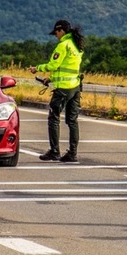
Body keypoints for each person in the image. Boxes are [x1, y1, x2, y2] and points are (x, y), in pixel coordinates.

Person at [29, 19, 85, 163]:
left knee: (53, 119)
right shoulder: (76, 45)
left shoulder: (63, 45)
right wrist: (51, 79)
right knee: (72, 121)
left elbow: (54, 64)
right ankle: (72, 153)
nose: (55, 35)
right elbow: (66, 68)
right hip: (75, 87)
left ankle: (54, 151)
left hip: (63, 90)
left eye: (56, 33)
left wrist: (37, 68)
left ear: (61, 31)